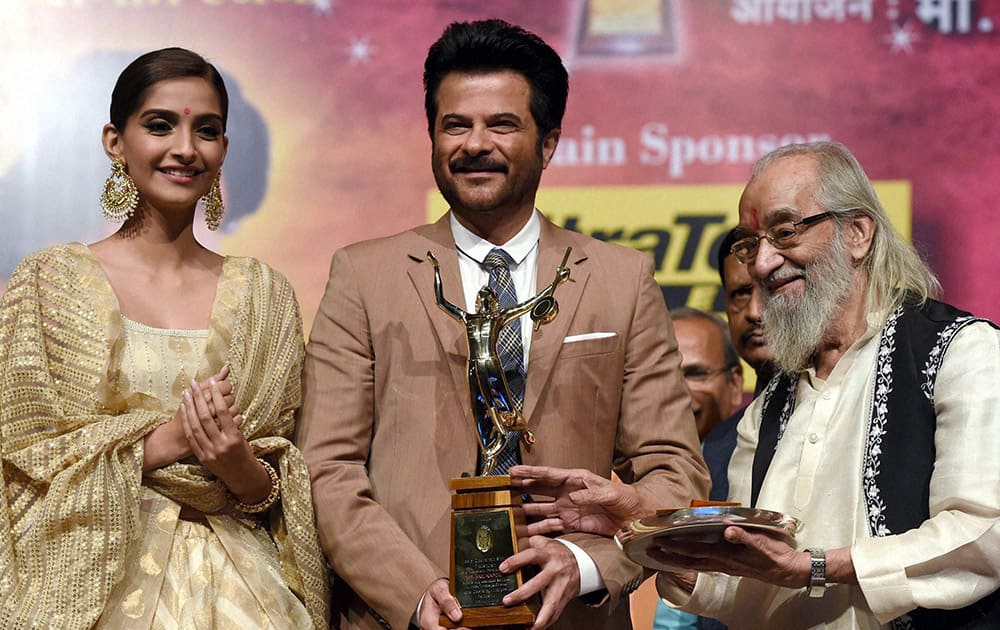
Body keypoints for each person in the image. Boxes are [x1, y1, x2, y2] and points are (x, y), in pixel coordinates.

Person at [297, 19, 708, 630]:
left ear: (548, 143)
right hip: (405, 618)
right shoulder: (363, 275)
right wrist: (413, 593)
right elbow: (325, 469)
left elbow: (673, 470)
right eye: (455, 125)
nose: (474, 144)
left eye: (502, 125)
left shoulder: (621, 279)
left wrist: (585, 562)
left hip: (573, 617)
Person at [0, 48, 329, 628]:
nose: (185, 148)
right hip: (86, 578)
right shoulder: (47, 282)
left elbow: (277, 483)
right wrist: (164, 443)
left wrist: (234, 463)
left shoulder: (264, 295)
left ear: (224, 150)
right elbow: (23, 459)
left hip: (245, 590)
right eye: (160, 125)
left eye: (207, 131)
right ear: (114, 141)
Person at [651, 141, 1000, 628]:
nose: (763, 265)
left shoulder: (962, 353)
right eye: (751, 244)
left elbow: (983, 533)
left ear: (857, 233)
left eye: (786, 231)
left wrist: (818, 567)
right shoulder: (768, 406)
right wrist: (646, 533)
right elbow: (753, 585)